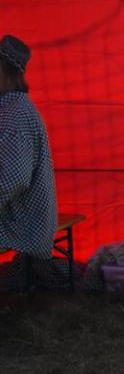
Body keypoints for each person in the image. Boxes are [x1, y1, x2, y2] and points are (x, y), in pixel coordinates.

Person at [0, 34, 56, 258]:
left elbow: (14, 179)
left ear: (3, 70)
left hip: (23, 226)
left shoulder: (16, 115)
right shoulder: (13, 108)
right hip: (21, 218)